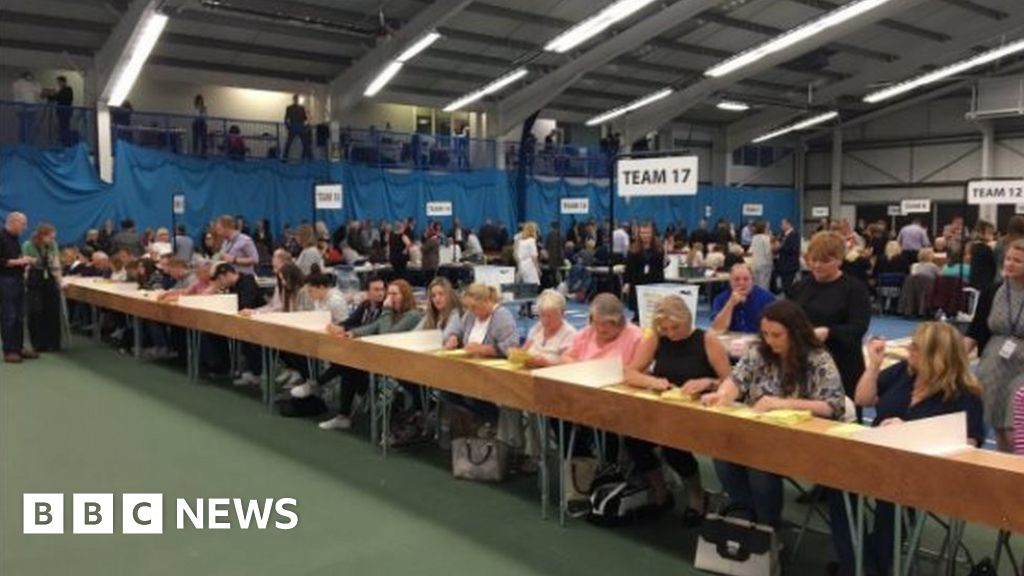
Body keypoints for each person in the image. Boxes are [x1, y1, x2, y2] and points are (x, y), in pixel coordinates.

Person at [829, 322, 985, 576]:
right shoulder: (905, 372)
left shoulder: (965, 394)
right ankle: (859, 564)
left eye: (915, 347)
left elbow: (969, 445)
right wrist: (874, 367)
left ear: (936, 355)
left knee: (893, 500)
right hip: (877, 458)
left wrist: (908, 430)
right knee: (837, 486)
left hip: (921, 474)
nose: (907, 350)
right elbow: (862, 399)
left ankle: (862, 566)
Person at [703, 300, 845, 528]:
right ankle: (746, 516)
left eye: (777, 335)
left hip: (799, 437)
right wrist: (723, 395)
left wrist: (779, 403)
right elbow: (736, 379)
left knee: (760, 465)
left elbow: (831, 406)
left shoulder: (818, 358)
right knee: (723, 454)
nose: (770, 341)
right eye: (766, 334)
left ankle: (767, 528)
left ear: (795, 332)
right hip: (758, 432)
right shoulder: (758, 352)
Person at [624, 296, 731, 524]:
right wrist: (652, 382)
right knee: (633, 439)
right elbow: (630, 372)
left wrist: (707, 382)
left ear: (688, 320)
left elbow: (730, 380)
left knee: (674, 447)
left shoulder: (706, 340)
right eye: (664, 328)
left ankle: (696, 494)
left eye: (675, 327)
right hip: (665, 408)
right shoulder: (657, 339)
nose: (670, 333)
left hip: (699, 410)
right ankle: (660, 490)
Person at [789, 232, 871, 401]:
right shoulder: (800, 286)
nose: (817, 265)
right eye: (813, 260)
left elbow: (858, 327)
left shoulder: (855, 290)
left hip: (842, 365)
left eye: (825, 261)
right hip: (804, 364)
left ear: (840, 260)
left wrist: (829, 332)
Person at [289, 274, 384, 409]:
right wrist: (340, 327)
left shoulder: (385, 310)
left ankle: (316, 384)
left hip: (373, 352)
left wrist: (347, 329)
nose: (380, 293)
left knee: (345, 363)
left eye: (382, 289)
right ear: (367, 292)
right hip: (356, 348)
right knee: (344, 362)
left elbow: (373, 328)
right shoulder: (365, 305)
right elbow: (351, 321)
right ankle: (321, 390)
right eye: (376, 289)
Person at [967, 238, 1024, 452]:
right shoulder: (994, 290)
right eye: (1008, 259)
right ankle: (1006, 476)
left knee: (1014, 430)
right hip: (993, 365)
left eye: (1017, 261)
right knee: (998, 427)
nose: (1009, 264)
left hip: (1022, 369)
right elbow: (976, 331)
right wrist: (952, 361)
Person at [442, 283, 520, 423]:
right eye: (469, 307)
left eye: (474, 307)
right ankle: (474, 424)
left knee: (469, 394)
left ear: (486, 301)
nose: (471, 311)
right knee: (446, 390)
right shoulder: (471, 315)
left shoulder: (501, 316)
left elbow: (512, 346)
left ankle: (491, 422)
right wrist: (452, 337)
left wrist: (485, 349)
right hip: (469, 370)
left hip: (492, 375)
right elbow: (456, 329)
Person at [1, 213, 39, 363]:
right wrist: (19, 261)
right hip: (5, 280)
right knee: (9, 316)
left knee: (19, 316)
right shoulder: (1, 237)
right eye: (23, 224)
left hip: (17, 279)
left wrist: (25, 262)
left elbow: (15, 258)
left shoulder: (15, 239)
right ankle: (9, 350)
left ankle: (18, 348)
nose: (25, 228)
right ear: (14, 222)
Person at [22, 223, 63, 352]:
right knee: (36, 311)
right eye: (50, 237)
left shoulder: (53, 245)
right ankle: (38, 343)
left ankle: (54, 343)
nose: (53, 240)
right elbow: (25, 265)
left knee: (52, 310)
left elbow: (56, 264)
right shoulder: (28, 245)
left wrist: (59, 282)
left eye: (53, 237)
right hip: (34, 278)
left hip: (49, 277)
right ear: (42, 235)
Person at [515, 289, 577, 368]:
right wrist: (516, 355)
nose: (545, 320)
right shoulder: (537, 327)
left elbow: (571, 364)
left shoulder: (570, 334)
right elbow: (524, 351)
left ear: (562, 314)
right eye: (542, 315)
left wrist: (548, 363)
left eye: (550, 316)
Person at [710, 263, 776, 334]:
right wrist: (730, 304)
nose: (741, 283)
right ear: (730, 281)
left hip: (757, 340)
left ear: (752, 281)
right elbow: (717, 329)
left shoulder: (767, 298)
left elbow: (774, 328)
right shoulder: (720, 299)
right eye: (736, 279)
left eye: (746, 279)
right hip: (730, 341)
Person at [623, 222, 664, 320]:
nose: (645, 235)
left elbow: (660, 268)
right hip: (637, 282)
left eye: (647, 233)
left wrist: (662, 284)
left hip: (653, 282)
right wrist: (626, 283)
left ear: (652, 234)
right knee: (638, 311)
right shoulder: (633, 249)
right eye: (642, 233)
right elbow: (628, 268)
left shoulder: (658, 249)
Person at [13, 71, 43, 144]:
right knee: (26, 127)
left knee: (26, 127)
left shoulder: (18, 84)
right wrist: (35, 83)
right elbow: (38, 91)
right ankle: (25, 143)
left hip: (27, 109)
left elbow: (38, 92)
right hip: (26, 108)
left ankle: (25, 143)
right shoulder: (23, 84)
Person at [45, 75, 74, 146]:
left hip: (65, 111)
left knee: (65, 126)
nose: (58, 84)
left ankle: (66, 142)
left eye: (59, 82)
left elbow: (61, 97)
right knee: (61, 126)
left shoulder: (67, 89)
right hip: (61, 112)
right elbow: (56, 98)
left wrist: (54, 94)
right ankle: (63, 141)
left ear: (62, 82)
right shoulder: (62, 90)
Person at [969, 220, 997, 292]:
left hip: (976, 283)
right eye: (990, 233)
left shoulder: (974, 247)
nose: (992, 235)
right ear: (981, 233)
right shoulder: (984, 249)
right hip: (984, 285)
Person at [775, 218, 801, 294]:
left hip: (790, 265)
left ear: (789, 224)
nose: (781, 226)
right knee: (784, 286)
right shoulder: (783, 235)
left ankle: (789, 302)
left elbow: (794, 249)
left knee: (787, 287)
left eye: (783, 224)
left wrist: (780, 247)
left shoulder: (794, 235)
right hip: (783, 264)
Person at [282, 94, 311, 161]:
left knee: (304, 143)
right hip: (296, 126)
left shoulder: (298, 108)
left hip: (297, 126)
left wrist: (289, 126)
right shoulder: (293, 108)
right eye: (296, 99)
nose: (296, 100)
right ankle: (306, 158)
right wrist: (288, 126)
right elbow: (286, 119)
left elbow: (305, 118)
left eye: (296, 99)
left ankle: (305, 157)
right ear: (294, 99)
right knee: (291, 143)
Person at [516, 222, 541, 296]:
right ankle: (530, 302)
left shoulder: (521, 241)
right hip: (529, 264)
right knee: (533, 284)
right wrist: (537, 268)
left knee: (526, 283)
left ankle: (524, 303)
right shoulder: (531, 241)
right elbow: (534, 256)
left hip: (522, 264)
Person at [749, 220, 773, 290]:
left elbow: (751, 251)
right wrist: (771, 263)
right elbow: (768, 252)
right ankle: (763, 300)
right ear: (764, 228)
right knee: (764, 285)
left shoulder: (754, 238)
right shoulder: (766, 238)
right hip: (765, 265)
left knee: (756, 284)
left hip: (755, 263)